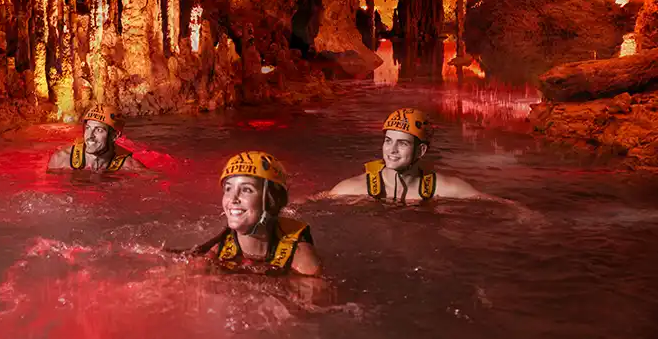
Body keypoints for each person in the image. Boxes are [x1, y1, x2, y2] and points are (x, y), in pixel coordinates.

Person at [188, 151, 322, 276]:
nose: (233, 199)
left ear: (272, 201)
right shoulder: (216, 253)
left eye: (246, 189)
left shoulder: (301, 259)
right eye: (228, 189)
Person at [329, 108, 481, 202]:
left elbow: (499, 205)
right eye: (388, 141)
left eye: (402, 143)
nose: (392, 150)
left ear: (421, 151)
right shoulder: (352, 189)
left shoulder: (446, 189)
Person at [47, 104, 145, 173]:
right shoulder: (61, 161)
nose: (90, 136)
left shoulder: (130, 167)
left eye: (98, 130)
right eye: (88, 128)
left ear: (114, 136)